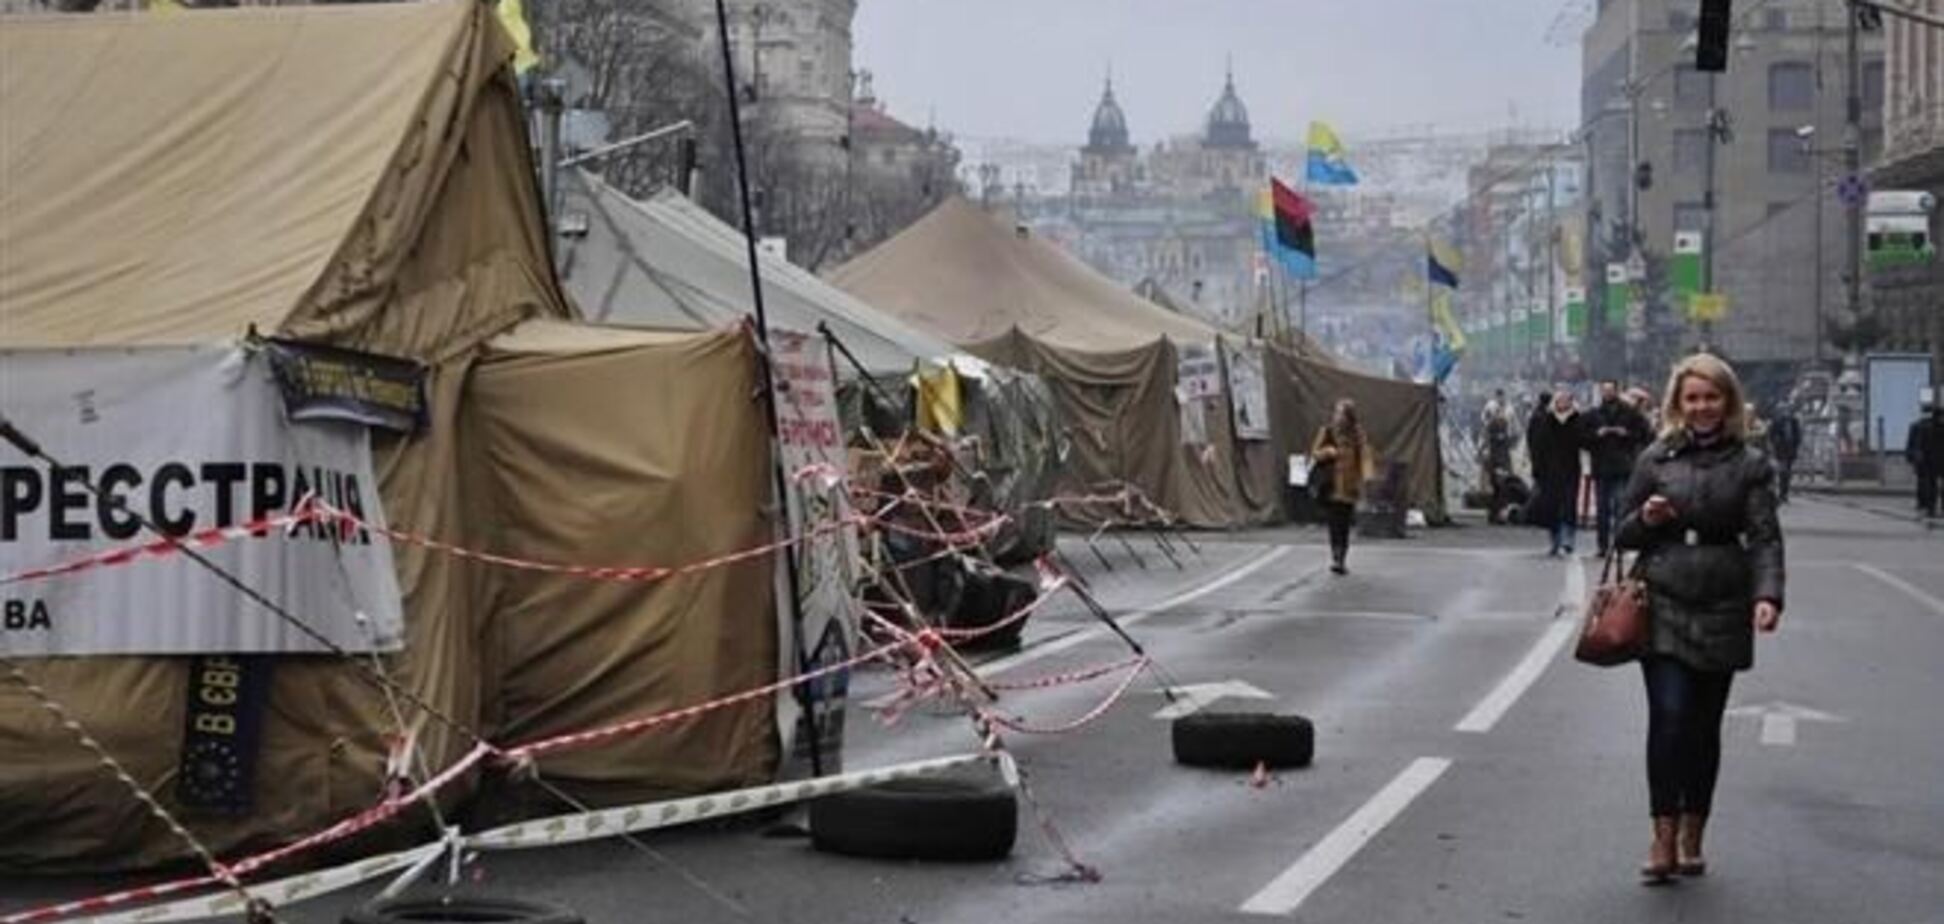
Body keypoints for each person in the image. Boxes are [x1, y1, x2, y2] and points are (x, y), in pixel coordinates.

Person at [1614, 353, 1784, 884]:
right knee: (1668, 718)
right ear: (1678, 404)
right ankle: (1661, 835)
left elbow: (1764, 537)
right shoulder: (1655, 458)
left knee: (1703, 728)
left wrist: (1769, 595)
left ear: (1728, 402)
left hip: (1723, 601)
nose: (1702, 407)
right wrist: (1646, 518)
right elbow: (1621, 534)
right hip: (1662, 596)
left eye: (1712, 397)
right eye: (1693, 398)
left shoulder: (1751, 463)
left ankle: (1693, 830)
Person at [1310, 399, 1377, 575]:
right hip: (1331, 483)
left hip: (1349, 484)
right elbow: (1315, 453)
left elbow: (1364, 454)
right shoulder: (1327, 431)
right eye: (1336, 412)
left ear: (1349, 416)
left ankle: (1342, 556)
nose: (1338, 416)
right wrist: (1328, 452)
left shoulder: (1357, 433)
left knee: (1345, 522)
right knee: (1334, 522)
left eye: (1341, 413)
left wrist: (1367, 476)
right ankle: (1336, 556)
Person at [1587, 380, 1652, 555]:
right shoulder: (1594, 414)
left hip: (1622, 466)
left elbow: (1644, 435)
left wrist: (1626, 434)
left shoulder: (1630, 414)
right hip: (1601, 466)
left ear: (1617, 391)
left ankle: (1620, 543)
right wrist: (1596, 435)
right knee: (1602, 509)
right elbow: (1583, 438)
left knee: (1620, 506)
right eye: (1604, 390)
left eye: (1610, 390)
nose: (1607, 393)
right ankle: (1602, 545)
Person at [1527, 388, 1588, 556]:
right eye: (1559, 400)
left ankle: (1568, 539)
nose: (1562, 403)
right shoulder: (1545, 420)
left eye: (1565, 400)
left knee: (1569, 505)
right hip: (1549, 470)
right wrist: (1537, 468)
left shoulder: (1577, 420)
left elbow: (1584, 441)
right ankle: (1555, 540)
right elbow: (1537, 446)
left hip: (1570, 468)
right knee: (1552, 506)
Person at [1908, 400, 1943, 517]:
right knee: (1930, 484)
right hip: (1935, 460)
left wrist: (1914, 456)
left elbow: (1918, 444)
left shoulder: (1921, 426)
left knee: (1928, 484)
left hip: (1928, 461)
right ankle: (1932, 506)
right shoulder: (1923, 426)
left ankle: (1928, 506)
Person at [1768, 402, 1803, 503]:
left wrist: (1796, 445)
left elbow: (1798, 435)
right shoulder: (1777, 421)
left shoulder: (1794, 421)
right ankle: (1782, 494)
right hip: (1781, 450)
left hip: (1791, 450)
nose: (1787, 412)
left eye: (1788, 410)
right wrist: (1776, 443)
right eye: (1784, 410)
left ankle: (1784, 493)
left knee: (1787, 473)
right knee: (1783, 472)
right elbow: (1771, 435)